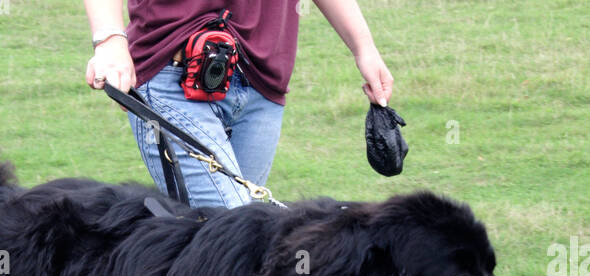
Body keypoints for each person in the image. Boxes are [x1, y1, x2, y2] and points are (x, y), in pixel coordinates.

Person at [83, 0, 394, 208]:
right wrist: (110, 39)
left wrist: (363, 47)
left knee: (228, 249)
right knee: (233, 236)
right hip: (173, 74)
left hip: (262, 83)